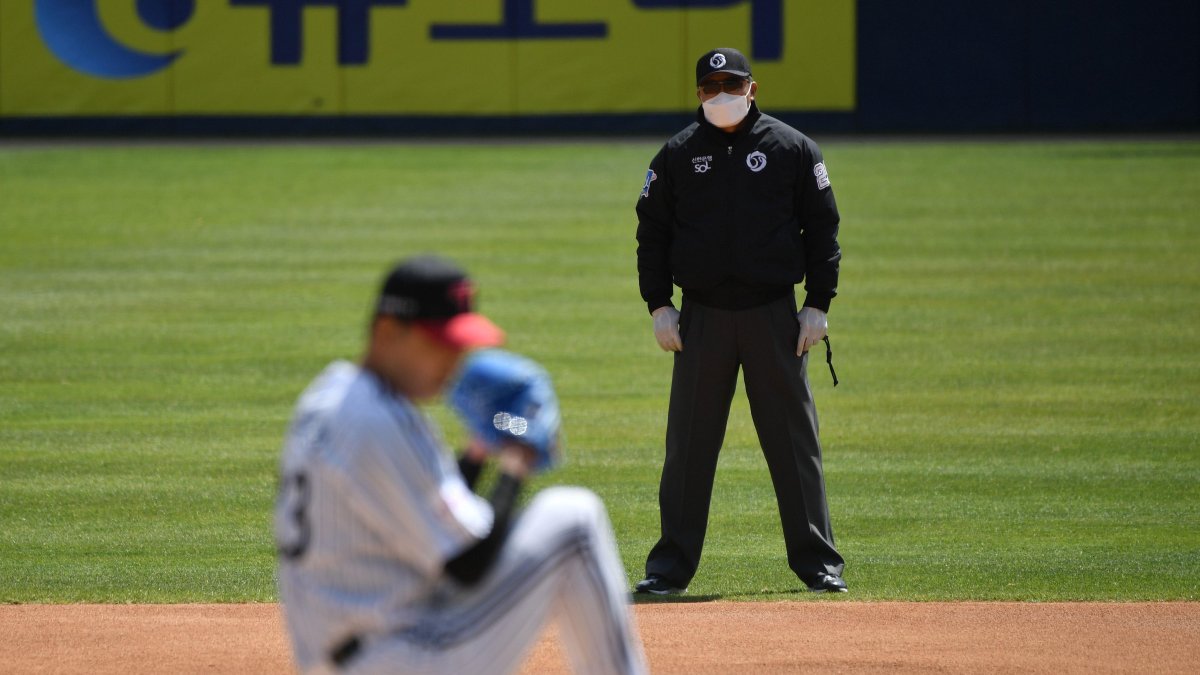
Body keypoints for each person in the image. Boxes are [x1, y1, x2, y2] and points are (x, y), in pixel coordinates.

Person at [274, 255, 647, 674]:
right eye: (439, 344)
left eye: (458, 346)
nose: (453, 362)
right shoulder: (381, 420)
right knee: (575, 521)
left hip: (348, 654)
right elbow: (469, 565)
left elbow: (436, 516)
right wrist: (516, 462)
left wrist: (478, 451)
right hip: (401, 657)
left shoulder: (331, 395)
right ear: (387, 331)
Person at [634, 48, 847, 595]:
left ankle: (818, 564)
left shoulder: (792, 148)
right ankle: (669, 569)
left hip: (773, 316)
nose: (722, 95)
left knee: (793, 443)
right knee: (688, 447)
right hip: (702, 318)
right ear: (698, 93)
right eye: (711, 86)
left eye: (732, 84)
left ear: (753, 88)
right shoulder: (677, 154)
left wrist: (818, 303)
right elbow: (651, 233)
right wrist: (659, 305)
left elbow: (822, 228)